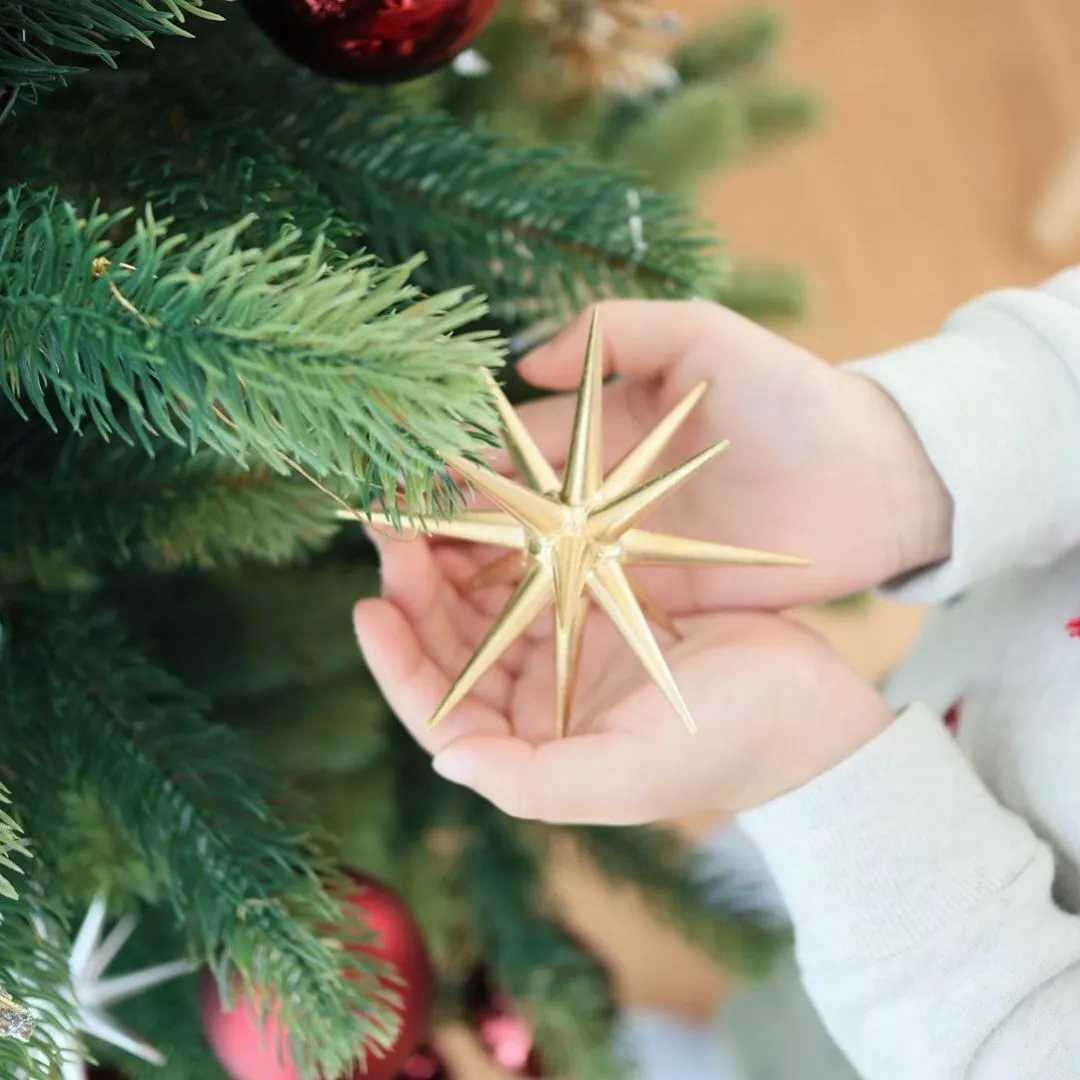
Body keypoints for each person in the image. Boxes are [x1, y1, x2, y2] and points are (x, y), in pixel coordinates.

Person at [353, 274, 1080, 1079]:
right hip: (947, 702)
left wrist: (809, 756)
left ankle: (735, 1058)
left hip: (951, 1012)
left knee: (809, 1045)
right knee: (789, 892)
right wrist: (911, 454)